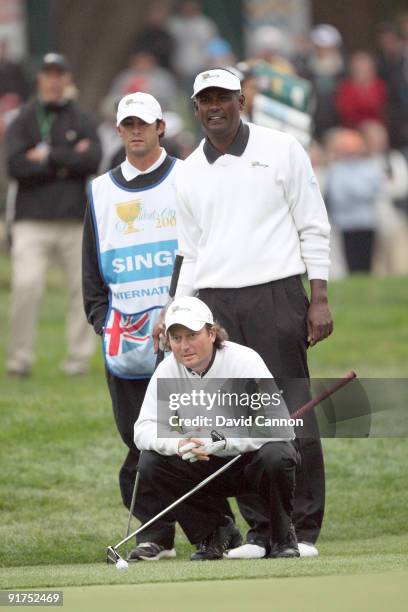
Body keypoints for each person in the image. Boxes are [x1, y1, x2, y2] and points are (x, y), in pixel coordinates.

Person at [160, 67, 333, 559]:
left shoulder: (282, 149)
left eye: (223, 97)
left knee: (291, 413)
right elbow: (189, 253)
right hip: (217, 302)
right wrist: (180, 315)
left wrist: (317, 297)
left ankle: (300, 529)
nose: (215, 107)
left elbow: (313, 225)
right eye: (205, 100)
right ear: (196, 108)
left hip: (276, 294)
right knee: (235, 415)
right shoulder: (189, 171)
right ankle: (261, 529)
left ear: (241, 99)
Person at [82, 91, 231, 562]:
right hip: (125, 343)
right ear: (118, 128)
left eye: (144, 123)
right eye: (128, 124)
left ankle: (212, 529)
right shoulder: (102, 190)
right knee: (140, 440)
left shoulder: (188, 176)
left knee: (186, 441)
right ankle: (159, 535)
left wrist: (197, 329)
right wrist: (102, 321)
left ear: (161, 126)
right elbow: (92, 270)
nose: (136, 131)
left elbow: (207, 250)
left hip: (185, 340)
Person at [135, 296, 300, 561]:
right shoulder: (168, 371)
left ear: (211, 333)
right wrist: (178, 443)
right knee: (151, 463)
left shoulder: (244, 361)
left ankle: (281, 537)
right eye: (176, 339)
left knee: (278, 454)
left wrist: (224, 441)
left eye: (192, 335)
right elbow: (143, 429)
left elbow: (279, 424)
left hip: (250, 462)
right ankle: (215, 532)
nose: (184, 346)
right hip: (204, 462)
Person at [6, 52, 101, 377]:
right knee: (27, 285)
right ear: (39, 80)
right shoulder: (24, 118)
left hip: (74, 220)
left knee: (81, 291)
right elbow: (16, 165)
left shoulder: (81, 117)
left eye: (59, 74)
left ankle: (77, 360)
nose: (54, 80)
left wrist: (45, 157)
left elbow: (92, 161)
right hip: (31, 220)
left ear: (67, 78)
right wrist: (66, 160)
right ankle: (19, 360)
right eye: (48, 74)